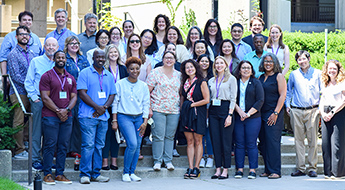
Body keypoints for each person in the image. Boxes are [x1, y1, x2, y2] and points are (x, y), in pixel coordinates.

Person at [77, 49, 116, 184]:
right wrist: (96, 107)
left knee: (99, 146)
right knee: (88, 145)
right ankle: (84, 174)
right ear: (93, 58)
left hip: (103, 117)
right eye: (97, 57)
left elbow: (112, 94)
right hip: (87, 116)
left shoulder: (108, 75)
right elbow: (82, 93)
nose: (100, 59)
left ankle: (96, 173)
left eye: (102, 57)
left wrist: (103, 108)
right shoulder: (85, 73)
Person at [39, 51, 77, 185]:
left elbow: (74, 97)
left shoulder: (70, 77)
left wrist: (66, 110)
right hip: (50, 116)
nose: (61, 59)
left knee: (63, 145)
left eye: (63, 57)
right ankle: (47, 173)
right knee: (50, 145)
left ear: (66, 60)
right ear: (54, 59)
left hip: (67, 116)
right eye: (58, 57)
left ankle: (60, 174)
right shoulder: (47, 76)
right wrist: (57, 110)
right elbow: (44, 97)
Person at [112, 57, 150, 182]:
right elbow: (115, 103)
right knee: (132, 143)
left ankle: (132, 172)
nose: (134, 71)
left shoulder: (143, 85)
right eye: (132, 69)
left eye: (137, 69)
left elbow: (146, 104)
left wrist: (145, 122)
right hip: (124, 116)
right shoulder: (120, 84)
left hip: (139, 117)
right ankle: (125, 172)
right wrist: (115, 120)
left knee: (138, 145)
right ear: (127, 69)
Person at [24, 37, 59, 170]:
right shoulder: (36, 61)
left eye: (53, 45)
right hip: (39, 101)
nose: (51, 47)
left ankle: (48, 160)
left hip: (54, 103)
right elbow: (29, 81)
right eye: (48, 45)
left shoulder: (59, 62)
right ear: (44, 47)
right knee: (37, 131)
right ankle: (35, 160)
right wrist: (34, 97)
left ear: (57, 47)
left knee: (51, 133)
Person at [286, 50, 321, 178]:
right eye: (299, 60)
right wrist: (287, 106)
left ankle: (312, 168)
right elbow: (289, 91)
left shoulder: (318, 73)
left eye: (304, 59)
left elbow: (323, 92)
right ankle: (300, 168)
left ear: (309, 59)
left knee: (313, 140)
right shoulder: (294, 74)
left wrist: (320, 108)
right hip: (296, 110)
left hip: (313, 110)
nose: (302, 61)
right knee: (298, 140)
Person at [146, 51, 181, 171]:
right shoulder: (155, 73)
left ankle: (168, 160)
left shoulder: (179, 75)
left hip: (174, 110)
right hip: (157, 109)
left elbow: (180, 93)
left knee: (170, 136)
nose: (169, 60)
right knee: (158, 136)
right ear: (162, 59)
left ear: (175, 60)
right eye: (166, 58)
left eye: (171, 58)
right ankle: (157, 161)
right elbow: (147, 92)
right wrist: (149, 108)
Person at [8, 26, 36, 159]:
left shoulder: (31, 54)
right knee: (18, 120)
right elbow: (15, 76)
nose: (25, 36)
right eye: (22, 34)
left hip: (31, 92)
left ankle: (25, 143)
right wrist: (30, 85)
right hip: (19, 92)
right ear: (16, 37)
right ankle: (19, 150)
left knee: (29, 120)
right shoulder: (13, 54)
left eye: (27, 34)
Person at [233, 60, 264, 179]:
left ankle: (252, 170)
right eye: (243, 68)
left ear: (252, 71)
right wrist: (240, 112)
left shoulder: (256, 83)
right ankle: (239, 169)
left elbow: (260, 100)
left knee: (251, 144)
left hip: (253, 118)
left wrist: (248, 114)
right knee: (239, 144)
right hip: (238, 116)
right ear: (239, 70)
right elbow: (232, 99)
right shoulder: (235, 82)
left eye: (248, 68)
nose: (246, 70)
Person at [258, 53, 286, 179]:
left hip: (274, 113)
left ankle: (276, 170)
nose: (268, 64)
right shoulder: (260, 77)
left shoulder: (279, 76)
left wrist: (275, 113)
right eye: (265, 61)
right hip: (261, 114)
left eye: (270, 61)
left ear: (275, 63)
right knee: (263, 142)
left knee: (273, 142)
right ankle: (268, 170)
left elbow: (282, 96)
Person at [208, 56, 237, 179]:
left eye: (221, 63)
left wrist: (230, 115)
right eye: (217, 63)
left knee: (226, 141)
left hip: (226, 109)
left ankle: (226, 169)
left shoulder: (231, 79)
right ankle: (218, 168)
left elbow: (233, 98)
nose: (219, 65)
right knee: (215, 140)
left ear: (225, 65)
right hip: (214, 110)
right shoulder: (211, 80)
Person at [180, 59, 210, 179]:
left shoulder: (202, 82)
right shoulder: (184, 82)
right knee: (190, 141)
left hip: (199, 114)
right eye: (187, 67)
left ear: (195, 67)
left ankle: (197, 167)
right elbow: (182, 99)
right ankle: (190, 166)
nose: (189, 69)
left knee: (198, 141)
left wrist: (192, 105)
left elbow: (207, 99)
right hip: (187, 114)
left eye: (191, 67)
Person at [102, 44, 128, 171]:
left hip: (120, 104)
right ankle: (105, 161)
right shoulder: (103, 68)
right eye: (111, 52)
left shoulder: (123, 69)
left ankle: (114, 160)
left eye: (115, 52)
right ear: (107, 53)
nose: (113, 54)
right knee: (106, 133)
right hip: (105, 104)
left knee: (115, 133)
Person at [63, 35, 90, 158]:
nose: (74, 45)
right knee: (69, 120)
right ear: (67, 45)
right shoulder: (64, 59)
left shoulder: (83, 59)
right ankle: (66, 148)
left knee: (79, 121)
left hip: (82, 94)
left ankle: (75, 148)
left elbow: (89, 74)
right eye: (71, 43)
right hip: (68, 94)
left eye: (76, 43)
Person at [319, 59, 345, 179]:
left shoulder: (342, 82)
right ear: (326, 70)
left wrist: (333, 112)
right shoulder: (324, 82)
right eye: (330, 68)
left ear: (338, 70)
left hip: (338, 112)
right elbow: (321, 100)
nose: (332, 71)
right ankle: (327, 172)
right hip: (325, 112)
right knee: (325, 143)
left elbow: (344, 101)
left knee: (337, 143)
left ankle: (337, 173)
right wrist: (323, 113)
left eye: (334, 68)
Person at [0, 11, 42, 77]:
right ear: (19, 22)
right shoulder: (9, 37)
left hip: (34, 78)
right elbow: (3, 58)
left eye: (29, 20)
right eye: (24, 20)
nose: (27, 22)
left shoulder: (36, 38)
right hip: (14, 78)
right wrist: (4, 76)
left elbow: (40, 57)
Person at [196, 54, 214, 168]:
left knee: (210, 134)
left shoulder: (213, 77)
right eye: (202, 61)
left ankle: (210, 156)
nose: (204, 63)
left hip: (212, 108)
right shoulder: (195, 77)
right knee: (200, 134)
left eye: (206, 61)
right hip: (199, 108)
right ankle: (201, 157)